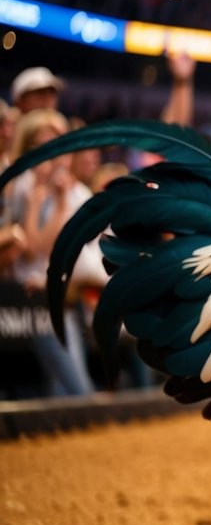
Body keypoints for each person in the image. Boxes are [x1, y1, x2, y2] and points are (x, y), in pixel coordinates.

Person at [3, 109, 97, 396]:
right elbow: (32, 252)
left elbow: (55, 248)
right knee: (75, 392)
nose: (52, 155)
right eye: (41, 146)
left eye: (58, 145)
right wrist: (40, 203)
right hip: (25, 304)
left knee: (64, 390)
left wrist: (56, 202)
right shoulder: (17, 187)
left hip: (63, 301)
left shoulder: (76, 193)